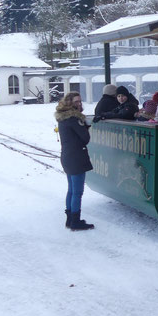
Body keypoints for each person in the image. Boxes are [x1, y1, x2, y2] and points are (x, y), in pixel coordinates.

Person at [54, 92, 94, 231]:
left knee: (71, 190)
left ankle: (70, 219)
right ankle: (75, 221)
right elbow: (85, 139)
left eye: (80, 101)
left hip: (67, 156)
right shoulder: (73, 119)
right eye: (76, 101)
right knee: (77, 192)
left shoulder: (63, 118)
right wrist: (86, 127)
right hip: (76, 157)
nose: (79, 104)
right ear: (69, 102)